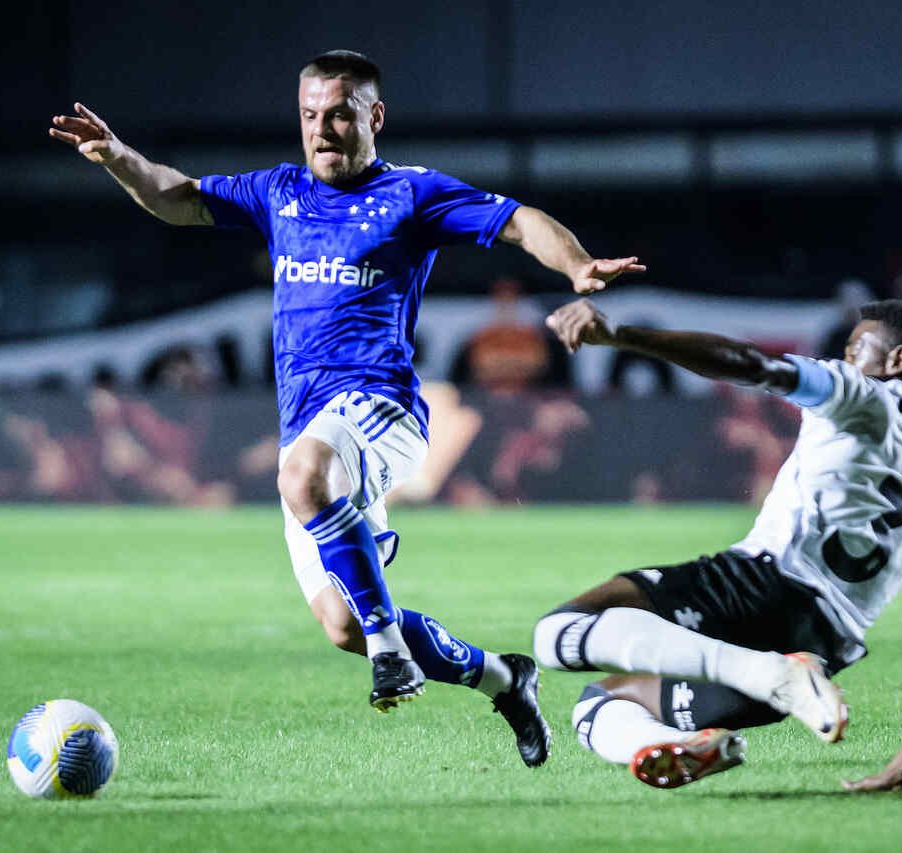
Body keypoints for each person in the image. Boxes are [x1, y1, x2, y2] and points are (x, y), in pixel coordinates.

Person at [49, 49, 645, 767]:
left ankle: (391, 651)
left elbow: (521, 222)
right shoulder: (278, 192)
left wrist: (577, 264)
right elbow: (175, 196)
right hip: (310, 428)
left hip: (381, 411)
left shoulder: (412, 195)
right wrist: (117, 156)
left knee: (304, 478)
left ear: (374, 116)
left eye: (337, 114)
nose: (321, 130)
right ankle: (505, 677)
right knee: (341, 623)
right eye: (309, 116)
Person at [533, 297, 902, 791]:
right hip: (822, 644)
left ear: (896, 361)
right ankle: (666, 743)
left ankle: (770, 674)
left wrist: (622, 336)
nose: (846, 357)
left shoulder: (861, 393)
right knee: (600, 701)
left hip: (760, 587)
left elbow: (753, 366)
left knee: (559, 632)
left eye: (857, 348)